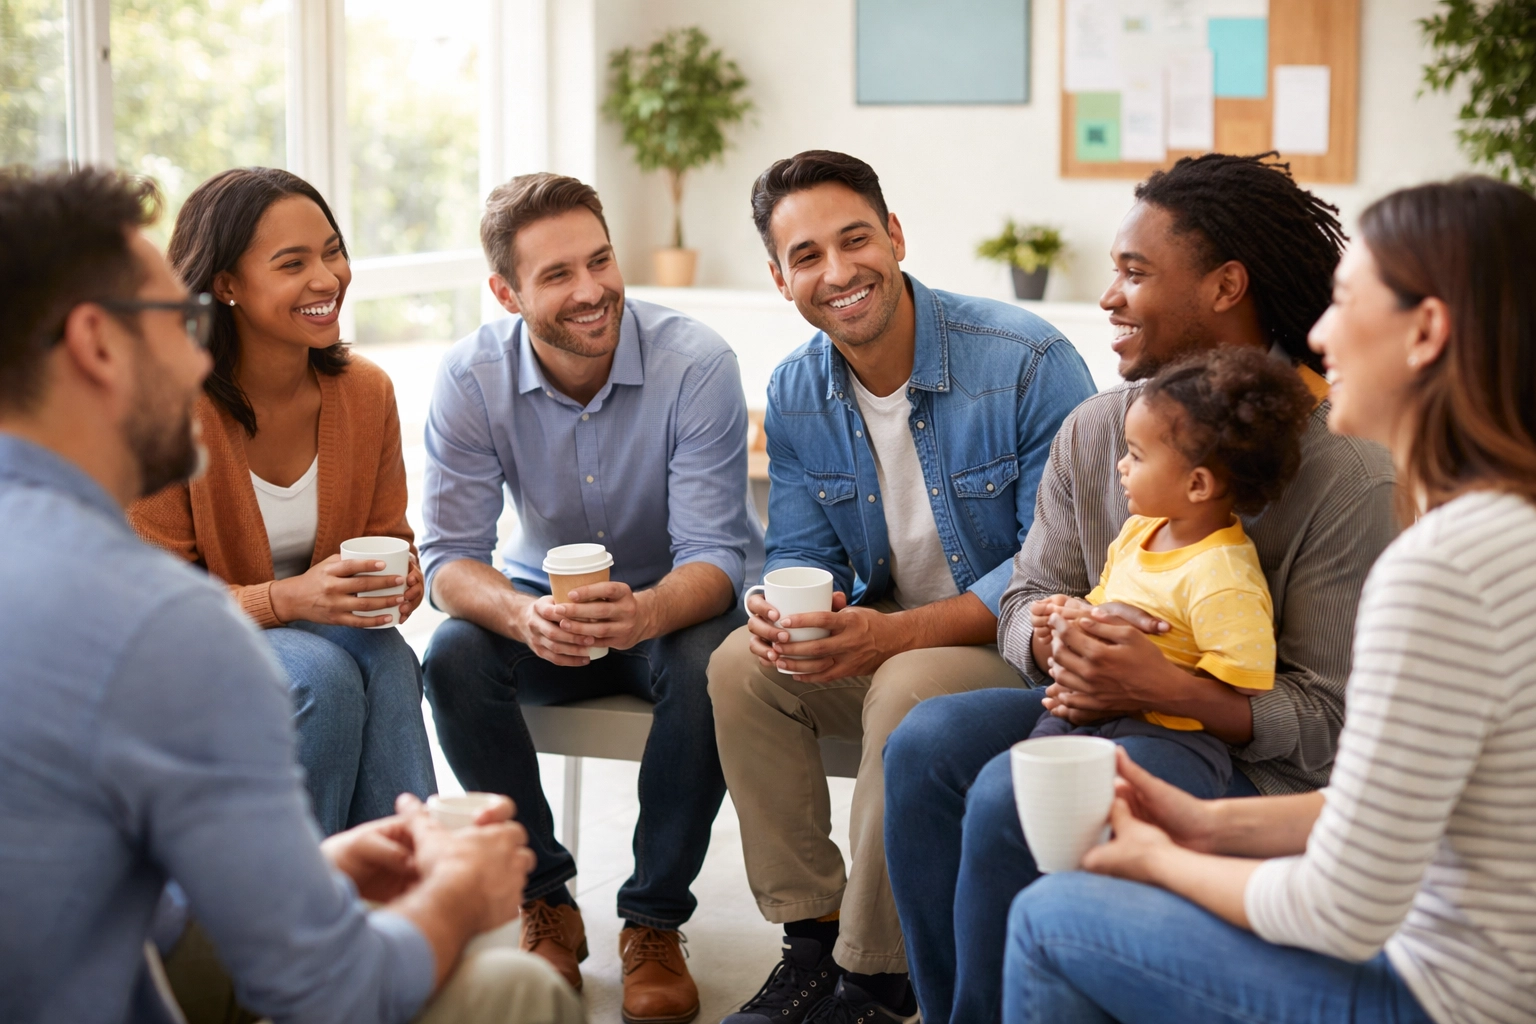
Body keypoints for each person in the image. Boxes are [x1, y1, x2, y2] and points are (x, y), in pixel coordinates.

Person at [0, 166, 583, 1024]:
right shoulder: (160, 621)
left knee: (376, 660)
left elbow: (89, 883)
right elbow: (326, 990)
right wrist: (458, 897)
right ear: (97, 345)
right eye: (179, 320)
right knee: (518, 990)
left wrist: (313, 872)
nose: (195, 351)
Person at [1005, 175, 1536, 1024]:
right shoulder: (1508, 525)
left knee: (1052, 919)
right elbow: (1375, 809)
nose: (1320, 333)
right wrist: (1198, 827)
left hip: (1448, 997)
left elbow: (1341, 906)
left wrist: (1155, 861)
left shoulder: (1439, 565)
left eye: (1347, 302)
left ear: (1426, 331)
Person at [883, 152, 1400, 1024]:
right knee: (926, 742)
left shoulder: (1344, 476)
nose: (1108, 297)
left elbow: (1330, 728)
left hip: (1243, 767)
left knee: (1016, 792)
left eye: (1134, 272)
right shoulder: (1097, 433)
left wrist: (1166, 685)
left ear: (1226, 285)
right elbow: (1025, 598)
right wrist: (1058, 632)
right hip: (1095, 713)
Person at [707, 150, 1097, 1024]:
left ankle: (878, 974)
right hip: (890, 644)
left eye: (856, 240)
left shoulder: (1027, 359)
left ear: (895, 235)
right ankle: (810, 939)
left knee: (909, 684)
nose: (838, 273)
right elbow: (803, 553)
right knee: (740, 665)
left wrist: (890, 636)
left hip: (1015, 647)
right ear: (780, 279)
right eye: (807, 257)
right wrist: (778, 606)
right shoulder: (798, 387)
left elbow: (1061, 564)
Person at [419, 172, 761, 1022]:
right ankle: (546, 897)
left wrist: (644, 612)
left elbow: (717, 554)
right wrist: (518, 613)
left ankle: (652, 919)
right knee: (452, 653)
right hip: (541, 608)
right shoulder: (469, 379)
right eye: (557, 275)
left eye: (599, 261)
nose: (591, 290)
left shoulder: (697, 364)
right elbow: (448, 561)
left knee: (710, 656)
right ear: (505, 293)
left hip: (668, 608)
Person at [129, 167, 436, 836]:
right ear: (226, 284)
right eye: (292, 263)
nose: (327, 278)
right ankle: (299, 915)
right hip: (189, 652)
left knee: (388, 659)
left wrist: (402, 583)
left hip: (320, 639)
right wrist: (288, 600)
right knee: (320, 674)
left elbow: (389, 534)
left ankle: (413, 893)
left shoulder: (365, 392)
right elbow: (153, 607)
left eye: (332, 251)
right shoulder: (169, 405)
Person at [1029, 346, 1315, 802]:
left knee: (1083, 800)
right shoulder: (1137, 532)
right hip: (1086, 714)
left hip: (1174, 739)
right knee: (1026, 786)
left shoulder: (1224, 576)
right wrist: (1069, 619)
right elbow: (1099, 608)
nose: (1121, 466)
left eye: (1137, 457)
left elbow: (1242, 689)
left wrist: (1148, 682)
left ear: (1197, 484)